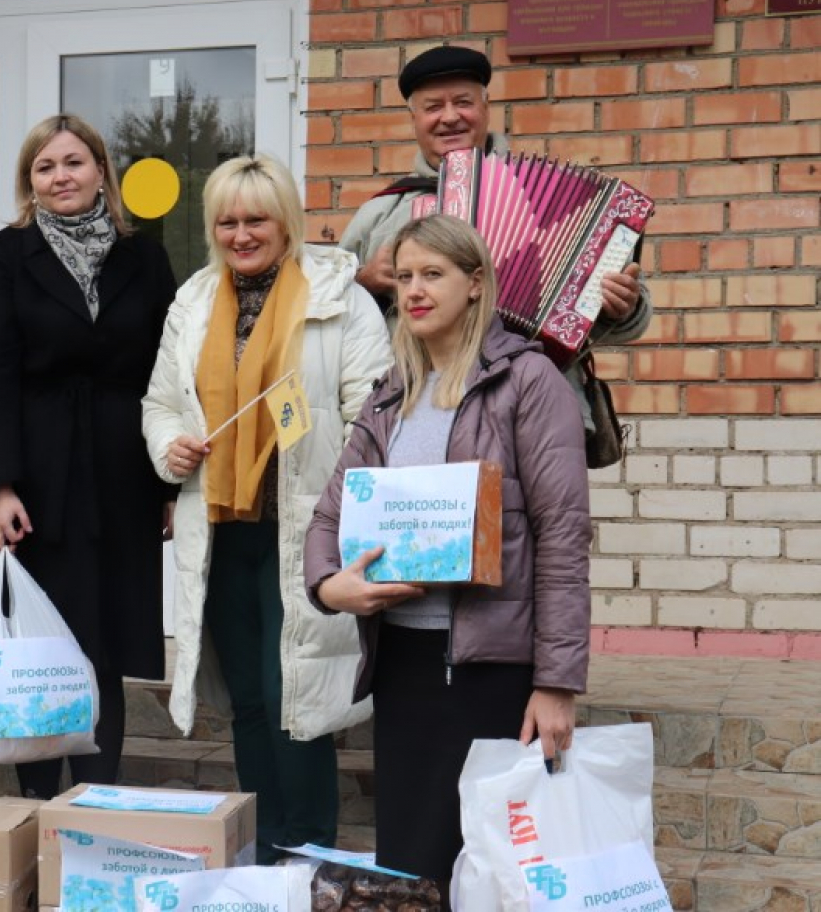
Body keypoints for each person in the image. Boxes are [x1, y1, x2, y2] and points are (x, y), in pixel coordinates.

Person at [306, 215, 591, 904]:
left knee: (492, 869)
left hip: (492, 671)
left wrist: (557, 680)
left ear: (476, 283)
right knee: (412, 868)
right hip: (403, 666)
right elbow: (328, 516)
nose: (414, 290)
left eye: (432, 274)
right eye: (403, 276)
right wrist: (328, 585)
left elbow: (562, 533)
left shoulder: (528, 381)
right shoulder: (388, 394)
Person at [141, 154, 393, 862]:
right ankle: (263, 845)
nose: (241, 233)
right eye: (226, 221)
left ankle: (312, 849)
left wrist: (331, 490)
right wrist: (172, 448)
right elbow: (160, 401)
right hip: (221, 528)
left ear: (286, 221)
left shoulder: (341, 295)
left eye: (256, 219)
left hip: (305, 529)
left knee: (298, 697)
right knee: (250, 697)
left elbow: (373, 415)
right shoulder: (193, 300)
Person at [0, 113, 177, 800]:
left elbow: (168, 371)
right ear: (30, 181)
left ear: (101, 171)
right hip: (33, 474)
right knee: (38, 644)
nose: (62, 176)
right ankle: (34, 804)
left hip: (120, 468)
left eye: (74, 162)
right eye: (45, 166)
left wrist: (168, 481)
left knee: (101, 645)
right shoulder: (4, 253)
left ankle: (95, 801)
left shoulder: (144, 254)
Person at [339, 44, 651, 429]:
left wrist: (622, 306)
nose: (450, 117)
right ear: (414, 118)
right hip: (419, 410)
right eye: (433, 106)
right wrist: (364, 285)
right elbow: (332, 317)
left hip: (534, 411)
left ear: (486, 108)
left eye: (464, 102)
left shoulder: (555, 196)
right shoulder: (382, 214)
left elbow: (631, 322)